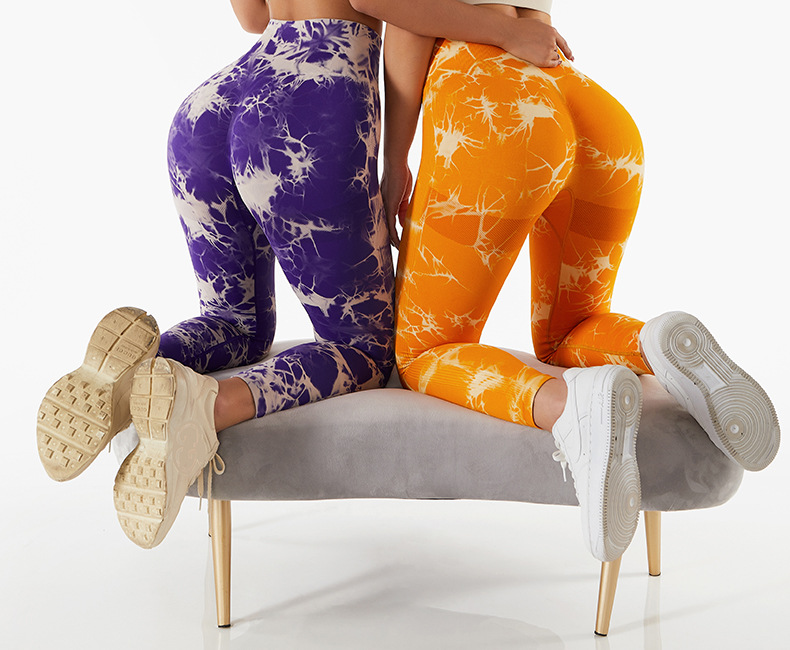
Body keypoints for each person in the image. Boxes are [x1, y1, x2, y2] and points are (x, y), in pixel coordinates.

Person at [35, 0, 581, 550]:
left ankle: (136, 368)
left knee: (234, 322)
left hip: (214, 107)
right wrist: (502, 31)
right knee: (362, 351)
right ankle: (205, 407)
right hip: (310, 103)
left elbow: (253, 17)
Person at [375, 0, 781, 562]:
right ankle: (656, 343)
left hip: (494, 107)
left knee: (423, 353)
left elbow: (382, 3)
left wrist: (394, 161)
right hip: (592, 110)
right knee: (571, 329)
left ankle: (573, 408)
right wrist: (513, 31)